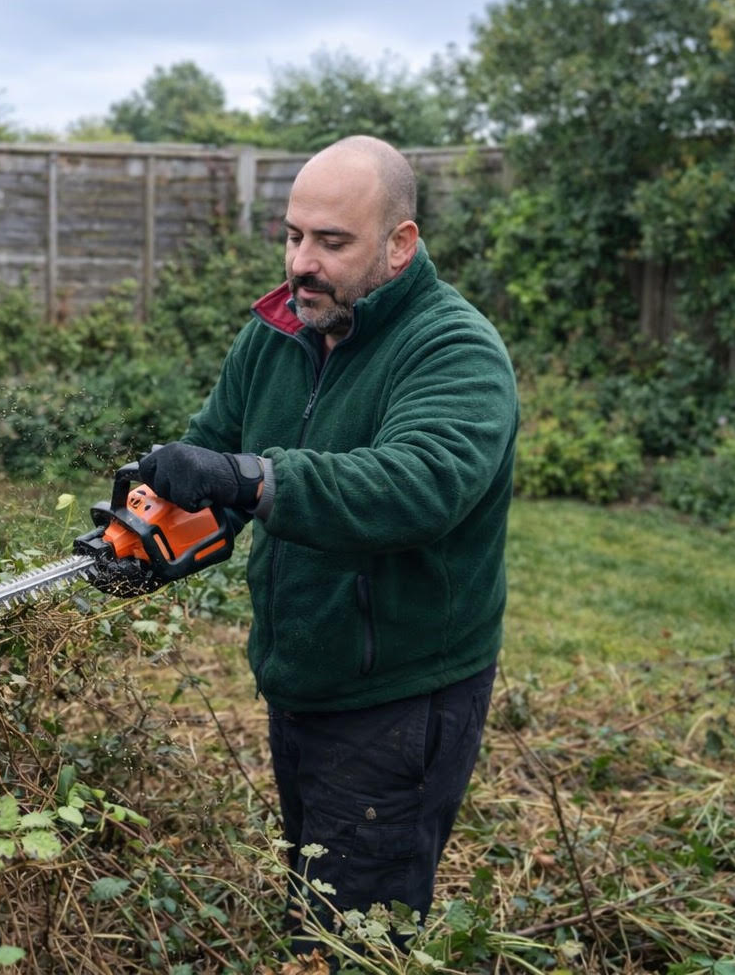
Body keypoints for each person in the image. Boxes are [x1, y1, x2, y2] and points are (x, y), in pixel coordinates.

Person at [133, 135, 517, 955]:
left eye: (332, 243)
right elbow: (215, 459)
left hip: (398, 694)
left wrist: (252, 479)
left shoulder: (454, 350)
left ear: (400, 244)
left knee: (351, 940)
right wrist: (147, 531)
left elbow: (418, 484)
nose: (302, 263)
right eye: (292, 234)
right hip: (303, 672)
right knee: (315, 902)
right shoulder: (280, 331)